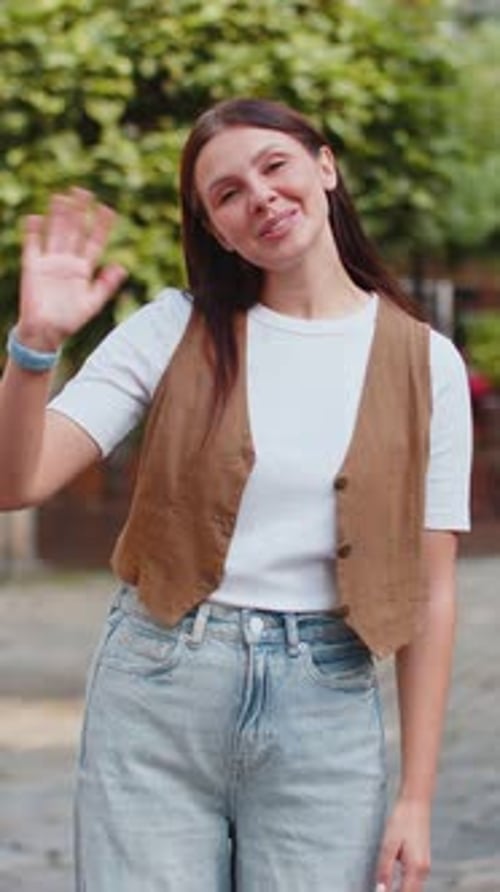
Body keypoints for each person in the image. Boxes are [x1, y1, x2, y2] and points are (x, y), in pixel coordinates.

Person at [0, 98, 472, 892]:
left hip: (326, 707)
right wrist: (36, 349)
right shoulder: (171, 329)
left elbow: (433, 591)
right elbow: (16, 483)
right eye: (226, 193)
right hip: (158, 690)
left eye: (274, 165)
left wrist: (417, 799)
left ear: (324, 166)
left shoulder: (427, 363)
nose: (259, 196)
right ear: (217, 231)